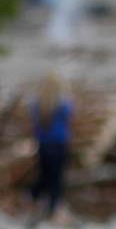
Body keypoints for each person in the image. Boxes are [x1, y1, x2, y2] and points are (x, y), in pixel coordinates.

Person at [29, 73, 72, 221]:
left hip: (43, 145)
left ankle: (33, 197)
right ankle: (53, 208)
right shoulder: (62, 105)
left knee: (44, 175)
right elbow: (70, 115)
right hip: (59, 145)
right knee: (56, 178)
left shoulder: (37, 105)